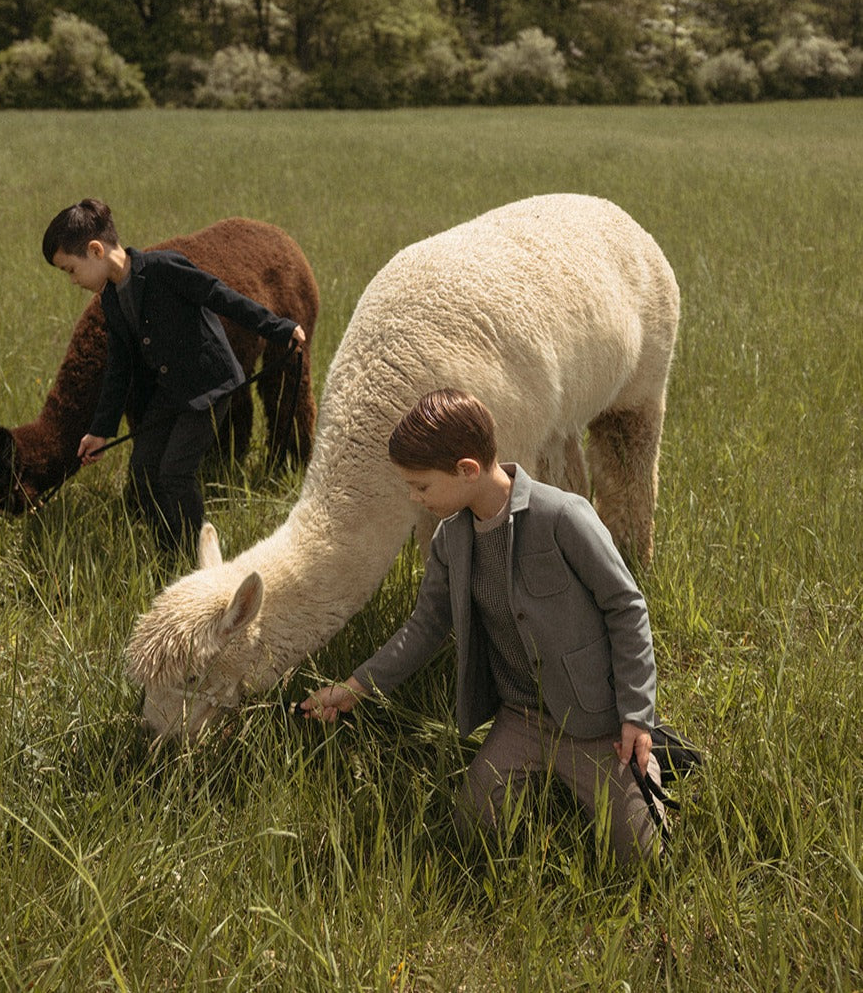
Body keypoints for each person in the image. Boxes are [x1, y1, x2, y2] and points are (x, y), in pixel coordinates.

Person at [301, 388, 665, 864]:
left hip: (593, 720)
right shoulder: (451, 539)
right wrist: (355, 687)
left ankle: (652, 754)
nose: (415, 498)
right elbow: (425, 627)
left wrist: (635, 712)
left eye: (422, 486)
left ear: (467, 470)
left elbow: (627, 606)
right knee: (472, 832)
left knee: (642, 858)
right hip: (521, 717)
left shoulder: (564, 517)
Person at [42, 198, 305, 555]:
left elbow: (221, 296)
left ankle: (199, 558)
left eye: (71, 270)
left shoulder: (164, 268)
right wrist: (100, 431)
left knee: (175, 475)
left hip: (209, 387)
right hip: (172, 393)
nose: (72, 280)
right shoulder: (112, 301)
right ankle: (170, 550)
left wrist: (280, 328)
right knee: (142, 471)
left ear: (95, 250)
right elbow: (120, 369)